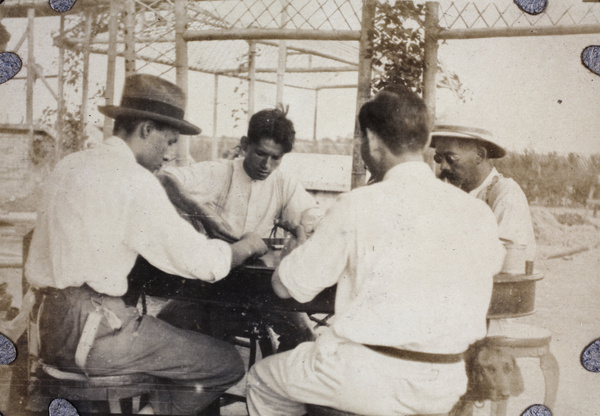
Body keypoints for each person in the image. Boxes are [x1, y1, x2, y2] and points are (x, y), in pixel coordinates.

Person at [246, 87, 505, 416]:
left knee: (262, 379)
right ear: (425, 143)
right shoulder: (478, 213)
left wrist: (294, 253)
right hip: (446, 382)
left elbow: (287, 286)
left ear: (371, 141)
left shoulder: (358, 204)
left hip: (369, 376)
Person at [24, 74, 267, 415]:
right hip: (92, 336)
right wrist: (248, 246)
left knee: (178, 325)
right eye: (169, 142)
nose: (169, 154)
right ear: (145, 130)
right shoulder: (134, 180)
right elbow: (204, 264)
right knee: (224, 362)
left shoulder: (70, 164)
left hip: (45, 330)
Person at [155, 107, 321, 350]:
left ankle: (271, 382)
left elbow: (312, 216)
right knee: (177, 335)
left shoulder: (284, 183)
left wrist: (303, 231)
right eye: (260, 154)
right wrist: (202, 213)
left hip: (260, 288)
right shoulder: (219, 171)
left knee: (304, 337)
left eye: (276, 158)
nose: (267, 165)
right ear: (245, 145)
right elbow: (163, 178)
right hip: (212, 285)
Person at [430, 125, 536, 262]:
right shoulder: (450, 195)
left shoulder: (506, 195)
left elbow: (506, 262)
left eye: (451, 158)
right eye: (438, 158)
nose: (443, 166)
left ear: (480, 156)